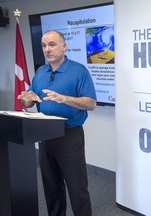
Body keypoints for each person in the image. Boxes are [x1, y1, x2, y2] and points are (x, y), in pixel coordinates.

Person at [18, 30, 97, 216]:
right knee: (51, 186)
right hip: (45, 134)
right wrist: (28, 98)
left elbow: (91, 104)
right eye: (44, 46)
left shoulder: (78, 71)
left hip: (69, 135)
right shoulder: (40, 72)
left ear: (64, 46)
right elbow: (28, 102)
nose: (47, 49)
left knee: (77, 188)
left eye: (52, 44)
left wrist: (64, 99)